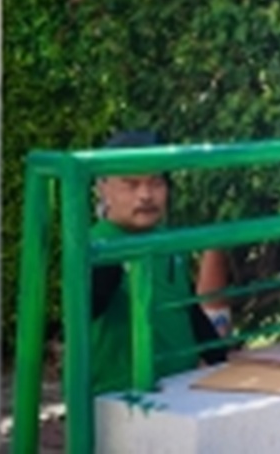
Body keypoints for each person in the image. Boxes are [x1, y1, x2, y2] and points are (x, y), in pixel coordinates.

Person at [90, 130, 232, 395]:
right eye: (131, 184)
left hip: (177, 385)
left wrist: (220, 359)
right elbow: (88, 308)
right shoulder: (98, 246)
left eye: (156, 182)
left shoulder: (166, 240)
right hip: (122, 393)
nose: (145, 195)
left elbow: (186, 306)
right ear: (103, 188)